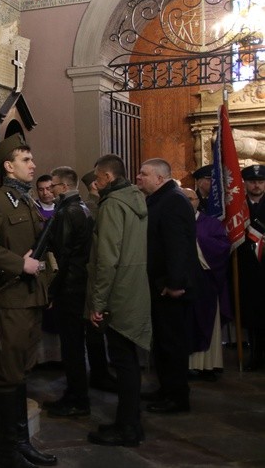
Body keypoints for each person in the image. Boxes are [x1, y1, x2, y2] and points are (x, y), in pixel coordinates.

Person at [0, 134, 57, 468]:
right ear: (9, 166)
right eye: (26, 160)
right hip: (9, 299)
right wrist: (17, 263)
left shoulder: (25, 201)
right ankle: (10, 450)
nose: (33, 165)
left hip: (30, 297)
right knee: (10, 375)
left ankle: (20, 442)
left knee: (22, 373)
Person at [85, 154, 151, 447]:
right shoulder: (136, 199)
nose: (96, 185)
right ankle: (130, 423)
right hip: (135, 288)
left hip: (118, 292)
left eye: (97, 178)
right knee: (129, 364)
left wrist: (97, 303)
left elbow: (107, 259)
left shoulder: (112, 205)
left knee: (123, 363)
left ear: (108, 177)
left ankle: (127, 428)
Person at [136, 158, 200, 414]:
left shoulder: (172, 200)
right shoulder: (161, 198)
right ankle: (167, 389)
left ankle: (177, 396)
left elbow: (177, 247)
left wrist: (175, 284)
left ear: (160, 178)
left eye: (144, 174)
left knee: (172, 343)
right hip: (161, 284)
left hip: (171, 287)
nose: (139, 177)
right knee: (163, 341)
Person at [43, 166, 95, 418]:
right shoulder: (82, 208)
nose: (50, 190)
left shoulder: (67, 212)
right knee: (74, 343)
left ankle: (77, 398)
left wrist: (51, 291)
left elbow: (61, 255)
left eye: (53, 185)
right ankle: (76, 393)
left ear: (63, 187)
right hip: (79, 282)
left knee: (72, 345)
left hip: (70, 285)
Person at [181, 188, 231, 380]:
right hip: (183, 282)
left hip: (206, 281)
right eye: (183, 199)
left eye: (191, 199)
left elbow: (223, 247)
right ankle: (185, 365)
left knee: (206, 321)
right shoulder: (175, 222)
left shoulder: (210, 223)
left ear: (197, 201)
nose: (187, 202)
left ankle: (207, 366)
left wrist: (197, 242)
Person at [79, 168, 117, 393]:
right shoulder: (93, 206)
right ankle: (100, 373)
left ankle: (101, 371)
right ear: (95, 184)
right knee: (95, 329)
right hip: (93, 274)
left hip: (97, 274)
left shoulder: (102, 204)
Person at [239, 164, 265, 370]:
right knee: (251, 315)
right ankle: (254, 355)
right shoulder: (238, 206)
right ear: (245, 183)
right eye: (252, 181)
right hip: (246, 268)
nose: (256, 185)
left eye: (260, 181)